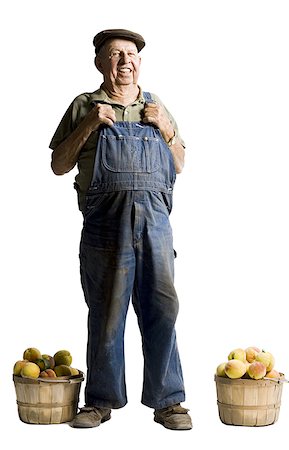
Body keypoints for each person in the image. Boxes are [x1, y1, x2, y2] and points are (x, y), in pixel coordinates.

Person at [49, 28, 192, 431]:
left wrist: (165, 127)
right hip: (104, 226)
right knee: (107, 316)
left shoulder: (156, 105)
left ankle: (169, 402)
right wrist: (90, 125)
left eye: (130, 55)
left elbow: (179, 162)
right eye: (114, 55)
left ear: (140, 63)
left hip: (155, 226)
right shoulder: (84, 105)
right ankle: (100, 401)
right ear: (100, 63)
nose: (124, 61)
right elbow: (59, 164)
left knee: (163, 312)